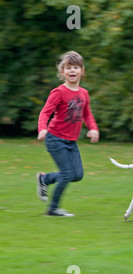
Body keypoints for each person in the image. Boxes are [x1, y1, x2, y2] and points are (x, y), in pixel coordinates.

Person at [36, 51, 99, 217]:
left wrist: (93, 128)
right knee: (67, 174)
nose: (72, 70)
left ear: (82, 71)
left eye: (76, 67)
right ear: (62, 72)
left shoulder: (84, 93)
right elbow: (44, 113)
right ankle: (53, 209)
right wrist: (42, 128)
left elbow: (87, 114)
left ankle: (46, 179)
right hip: (55, 139)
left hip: (71, 141)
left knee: (77, 175)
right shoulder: (59, 92)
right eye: (68, 67)